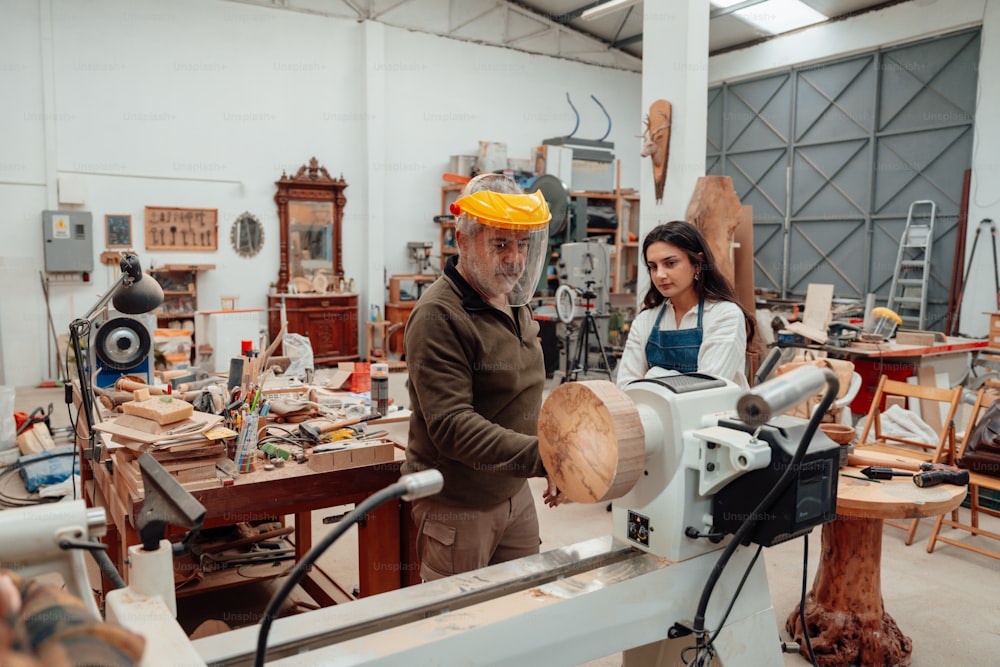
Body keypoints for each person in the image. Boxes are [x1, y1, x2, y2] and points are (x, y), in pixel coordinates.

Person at [402, 173, 563, 582]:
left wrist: (545, 459)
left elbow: (526, 394)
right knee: (457, 628)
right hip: (459, 505)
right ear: (462, 240)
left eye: (523, 243)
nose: (515, 259)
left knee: (521, 611)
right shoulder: (437, 316)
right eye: (500, 243)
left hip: (514, 490)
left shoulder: (512, 300)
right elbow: (452, 426)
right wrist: (545, 458)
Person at [616, 220, 756, 390]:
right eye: (653, 267)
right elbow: (626, 388)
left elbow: (706, 390)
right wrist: (681, 382)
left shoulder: (724, 315)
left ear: (697, 264)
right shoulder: (645, 320)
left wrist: (653, 375)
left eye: (670, 263)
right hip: (657, 416)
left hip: (716, 415)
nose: (660, 275)